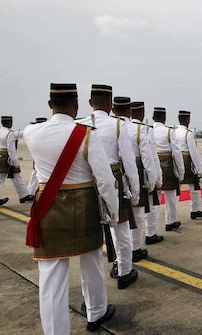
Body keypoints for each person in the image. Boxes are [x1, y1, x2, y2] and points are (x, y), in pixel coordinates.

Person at [25, 83, 118, 333]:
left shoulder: (31, 133)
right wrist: (113, 211)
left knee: (52, 276)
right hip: (84, 206)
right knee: (92, 262)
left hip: (47, 207)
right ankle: (95, 313)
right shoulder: (87, 133)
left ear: (49, 105)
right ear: (76, 105)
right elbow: (105, 180)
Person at [78, 90, 140, 289]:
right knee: (121, 228)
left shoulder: (80, 124)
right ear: (109, 103)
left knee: (94, 230)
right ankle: (124, 271)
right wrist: (135, 192)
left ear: (90, 102)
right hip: (114, 178)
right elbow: (129, 163)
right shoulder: (118, 125)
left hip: (87, 180)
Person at [118, 100, 157, 262]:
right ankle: (135, 248)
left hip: (114, 173)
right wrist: (152, 181)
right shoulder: (140, 129)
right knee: (137, 214)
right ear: (140, 113)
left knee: (118, 218)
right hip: (135, 172)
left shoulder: (109, 126)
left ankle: (119, 257)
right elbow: (148, 159)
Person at [131, 103, 164, 246]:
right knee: (144, 209)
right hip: (140, 172)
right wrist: (155, 180)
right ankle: (149, 235)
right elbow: (150, 156)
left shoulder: (118, 126)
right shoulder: (143, 129)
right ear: (142, 113)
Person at [152, 107, 185, 231]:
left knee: (155, 198)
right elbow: (176, 152)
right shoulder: (168, 131)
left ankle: (152, 230)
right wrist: (181, 171)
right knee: (170, 196)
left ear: (153, 118)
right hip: (167, 165)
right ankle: (170, 221)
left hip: (153, 164)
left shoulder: (148, 130)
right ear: (164, 118)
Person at [176, 110, 202, 219]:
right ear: (187, 120)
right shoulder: (188, 133)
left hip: (176, 160)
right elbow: (194, 152)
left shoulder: (174, 132)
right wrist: (199, 169)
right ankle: (195, 210)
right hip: (187, 160)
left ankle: (172, 216)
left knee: (176, 189)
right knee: (194, 187)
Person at [0, 116, 34, 204]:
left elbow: (18, 134)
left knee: (16, 176)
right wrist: (15, 162)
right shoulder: (9, 133)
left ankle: (24, 195)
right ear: (9, 123)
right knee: (1, 178)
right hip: (7, 159)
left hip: (1, 156)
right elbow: (11, 149)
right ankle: (24, 196)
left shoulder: (1, 132)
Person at [26, 117, 48, 197]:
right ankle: (30, 192)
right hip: (42, 156)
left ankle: (30, 192)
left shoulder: (34, 133)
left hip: (38, 155)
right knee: (36, 173)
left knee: (36, 173)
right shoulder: (44, 133)